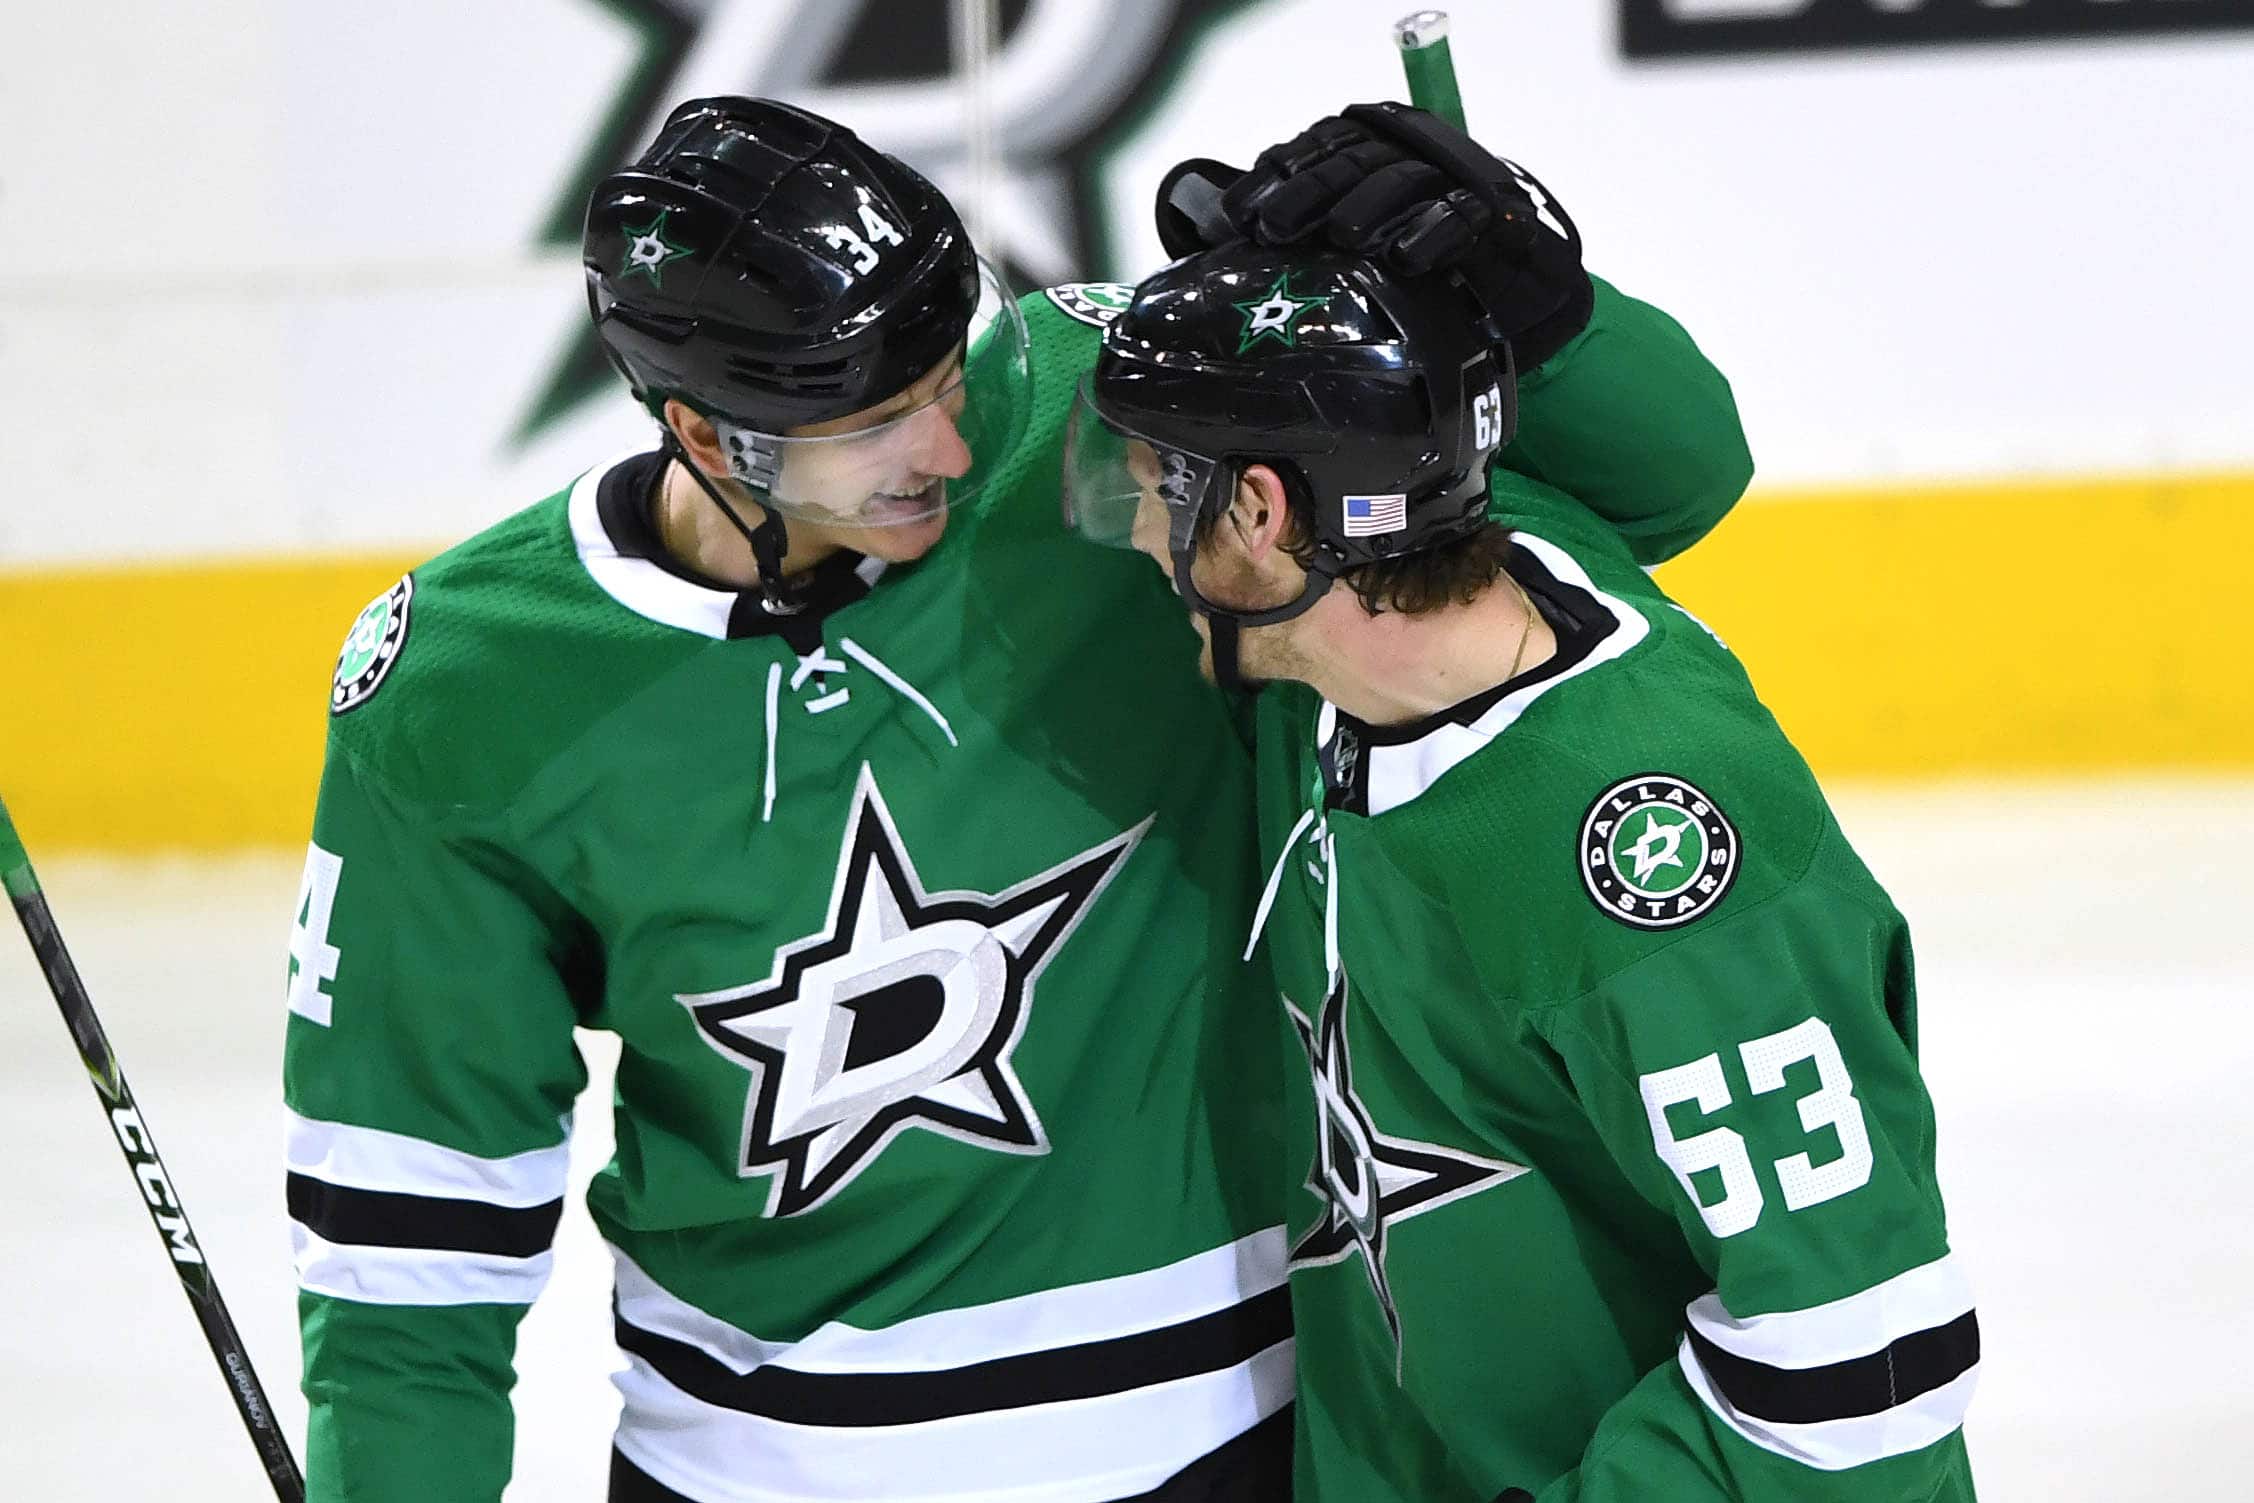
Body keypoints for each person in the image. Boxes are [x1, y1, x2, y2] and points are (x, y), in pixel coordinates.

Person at [281, 95, 1753, 1502]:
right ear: (706, 435)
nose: (951, 448)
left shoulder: (1109, 420)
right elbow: (412, 1230)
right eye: (876, 422)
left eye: (948, 375)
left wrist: (1538, 316)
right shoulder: (465, 687)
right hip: (752, 1465)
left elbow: (1668, 485)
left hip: (1239, 1427)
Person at [1066, 224, 1981, 1502]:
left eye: (1164, 490)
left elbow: (1856, 1370)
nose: (1151, 542)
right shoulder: (1367, 648)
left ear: (1263, 515)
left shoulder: (1648, 860)